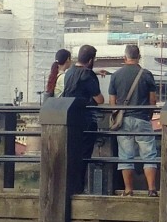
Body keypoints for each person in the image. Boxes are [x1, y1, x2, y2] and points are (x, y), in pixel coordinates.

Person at [108, 42, 159, 196]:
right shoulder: (146, 74)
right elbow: (153, 100)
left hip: (123, 120)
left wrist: (117, 115)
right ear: (139, 57)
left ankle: (128, 190)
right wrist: (148, 116)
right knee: (149, 154)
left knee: (125, 155)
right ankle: (151, 189)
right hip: (142, 117)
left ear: (125, 57)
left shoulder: (116, 75)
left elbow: (112, 102)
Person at [61, 43, 104, 178]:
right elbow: (100, 99)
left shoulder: (69, 73)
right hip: (86, 120)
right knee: (84, 154)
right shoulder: (88, 75)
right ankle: (79, 184)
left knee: (72, 154)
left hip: (70, 118)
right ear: (90, 60)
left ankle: (71, 183)